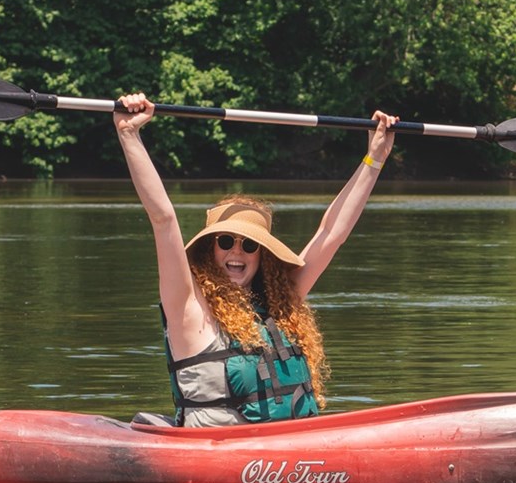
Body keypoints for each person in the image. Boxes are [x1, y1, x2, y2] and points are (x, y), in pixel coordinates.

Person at [114, 92, 398, 427]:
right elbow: (164, 219)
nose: (237, 251)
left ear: (261, 254)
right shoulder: (188, 309)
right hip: (214, 456)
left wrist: (375, 158)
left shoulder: (278, 304)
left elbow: (330, 234)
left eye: (249, 244)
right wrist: (129, 134)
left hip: (286, 454)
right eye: (225, 241)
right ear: (209, 250)